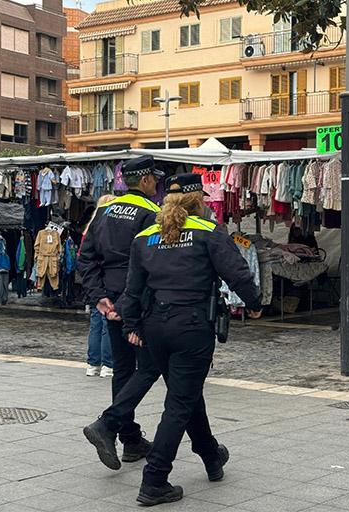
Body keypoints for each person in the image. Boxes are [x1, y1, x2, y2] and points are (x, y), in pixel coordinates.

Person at [119, 173, 262, 506]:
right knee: (179, 403)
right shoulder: (208, 231)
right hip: (192, 327)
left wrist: (131, 325)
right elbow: (237, 273)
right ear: (198, 200)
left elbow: (132, 290)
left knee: (186, 393)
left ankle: (211, 455)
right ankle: (155, 479)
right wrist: (254, 303)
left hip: (155, 327)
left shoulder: (145, 237)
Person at [78, 155, 163, 465]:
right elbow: (148, 265)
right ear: (146, 180)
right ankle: (110, 426)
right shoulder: (152, 213)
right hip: (137, 302)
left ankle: (129, 439)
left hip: (110, 300)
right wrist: (129, 303)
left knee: (123, 369)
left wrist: (99, 297)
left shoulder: (103, 211)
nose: (157, 184)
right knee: (149, 366)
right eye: (155, 179)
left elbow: (86, 258)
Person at [83, 195, 115, 377]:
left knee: (96, 322)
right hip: (107, 278)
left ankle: (93, 363)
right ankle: (108, 364)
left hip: (93, 279)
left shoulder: (90, 228)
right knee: (106, 321)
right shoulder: (108, 229)